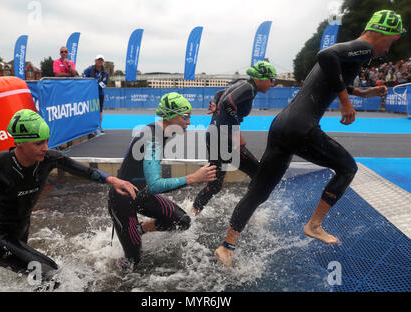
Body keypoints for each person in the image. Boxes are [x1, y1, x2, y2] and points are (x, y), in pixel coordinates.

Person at [215, 9, 405, 267]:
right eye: (393, 40)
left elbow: (327, 76)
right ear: (384, 34)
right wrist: (346, 101)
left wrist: (363, 93)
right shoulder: (364, 48)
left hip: (282, 125)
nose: (389, 48)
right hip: (300, 127)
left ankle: (227, 246)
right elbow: (326, 56)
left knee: (259, 191)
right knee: (348, 168)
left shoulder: (349, 51)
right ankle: (314, 225)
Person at [0, 109, 138, 284]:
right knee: (49, 276)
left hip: (18, 234)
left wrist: (112, 180)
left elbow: (84, 171)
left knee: (51, 271)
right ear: (20, 143)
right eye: (38, 143)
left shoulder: (49, 159)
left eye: (46, 141)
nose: (45, 147)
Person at [108, 92, 216, 269]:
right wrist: (194, 177)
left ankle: (139, 229)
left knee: (182, 221)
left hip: (141, 193)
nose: (189, 121)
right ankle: (109, 274)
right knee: (133, 262)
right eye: (186, 116)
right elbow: (155, 185)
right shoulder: (153, 138)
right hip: (122, 200)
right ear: (172, 116)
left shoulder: (161, 131)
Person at [191, 61, 276, 216]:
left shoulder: (242, 83)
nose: (273, 84)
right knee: (258, 174)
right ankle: (245, 214)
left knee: (215, 184)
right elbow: (227, 103)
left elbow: (219, 95)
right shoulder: (248, 89)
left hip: (214, 134)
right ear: (261, 78)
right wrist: (236, 135)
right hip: (224, 139)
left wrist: (216, 105)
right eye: (272, 80)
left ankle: (193, 212)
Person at [82, 55, 109, 133]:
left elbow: (104, 84)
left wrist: (95, 86)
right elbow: (84, 80)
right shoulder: (88, 70)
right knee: (90, 110)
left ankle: (99, 126)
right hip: (90, 94)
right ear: (95, 61)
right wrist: (91, 87)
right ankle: (89, 127)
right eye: (98, 60)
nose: (100, 61)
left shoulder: (105, 73)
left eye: (101, 60)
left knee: (100, 111)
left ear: (103, 62)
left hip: (100, 94)